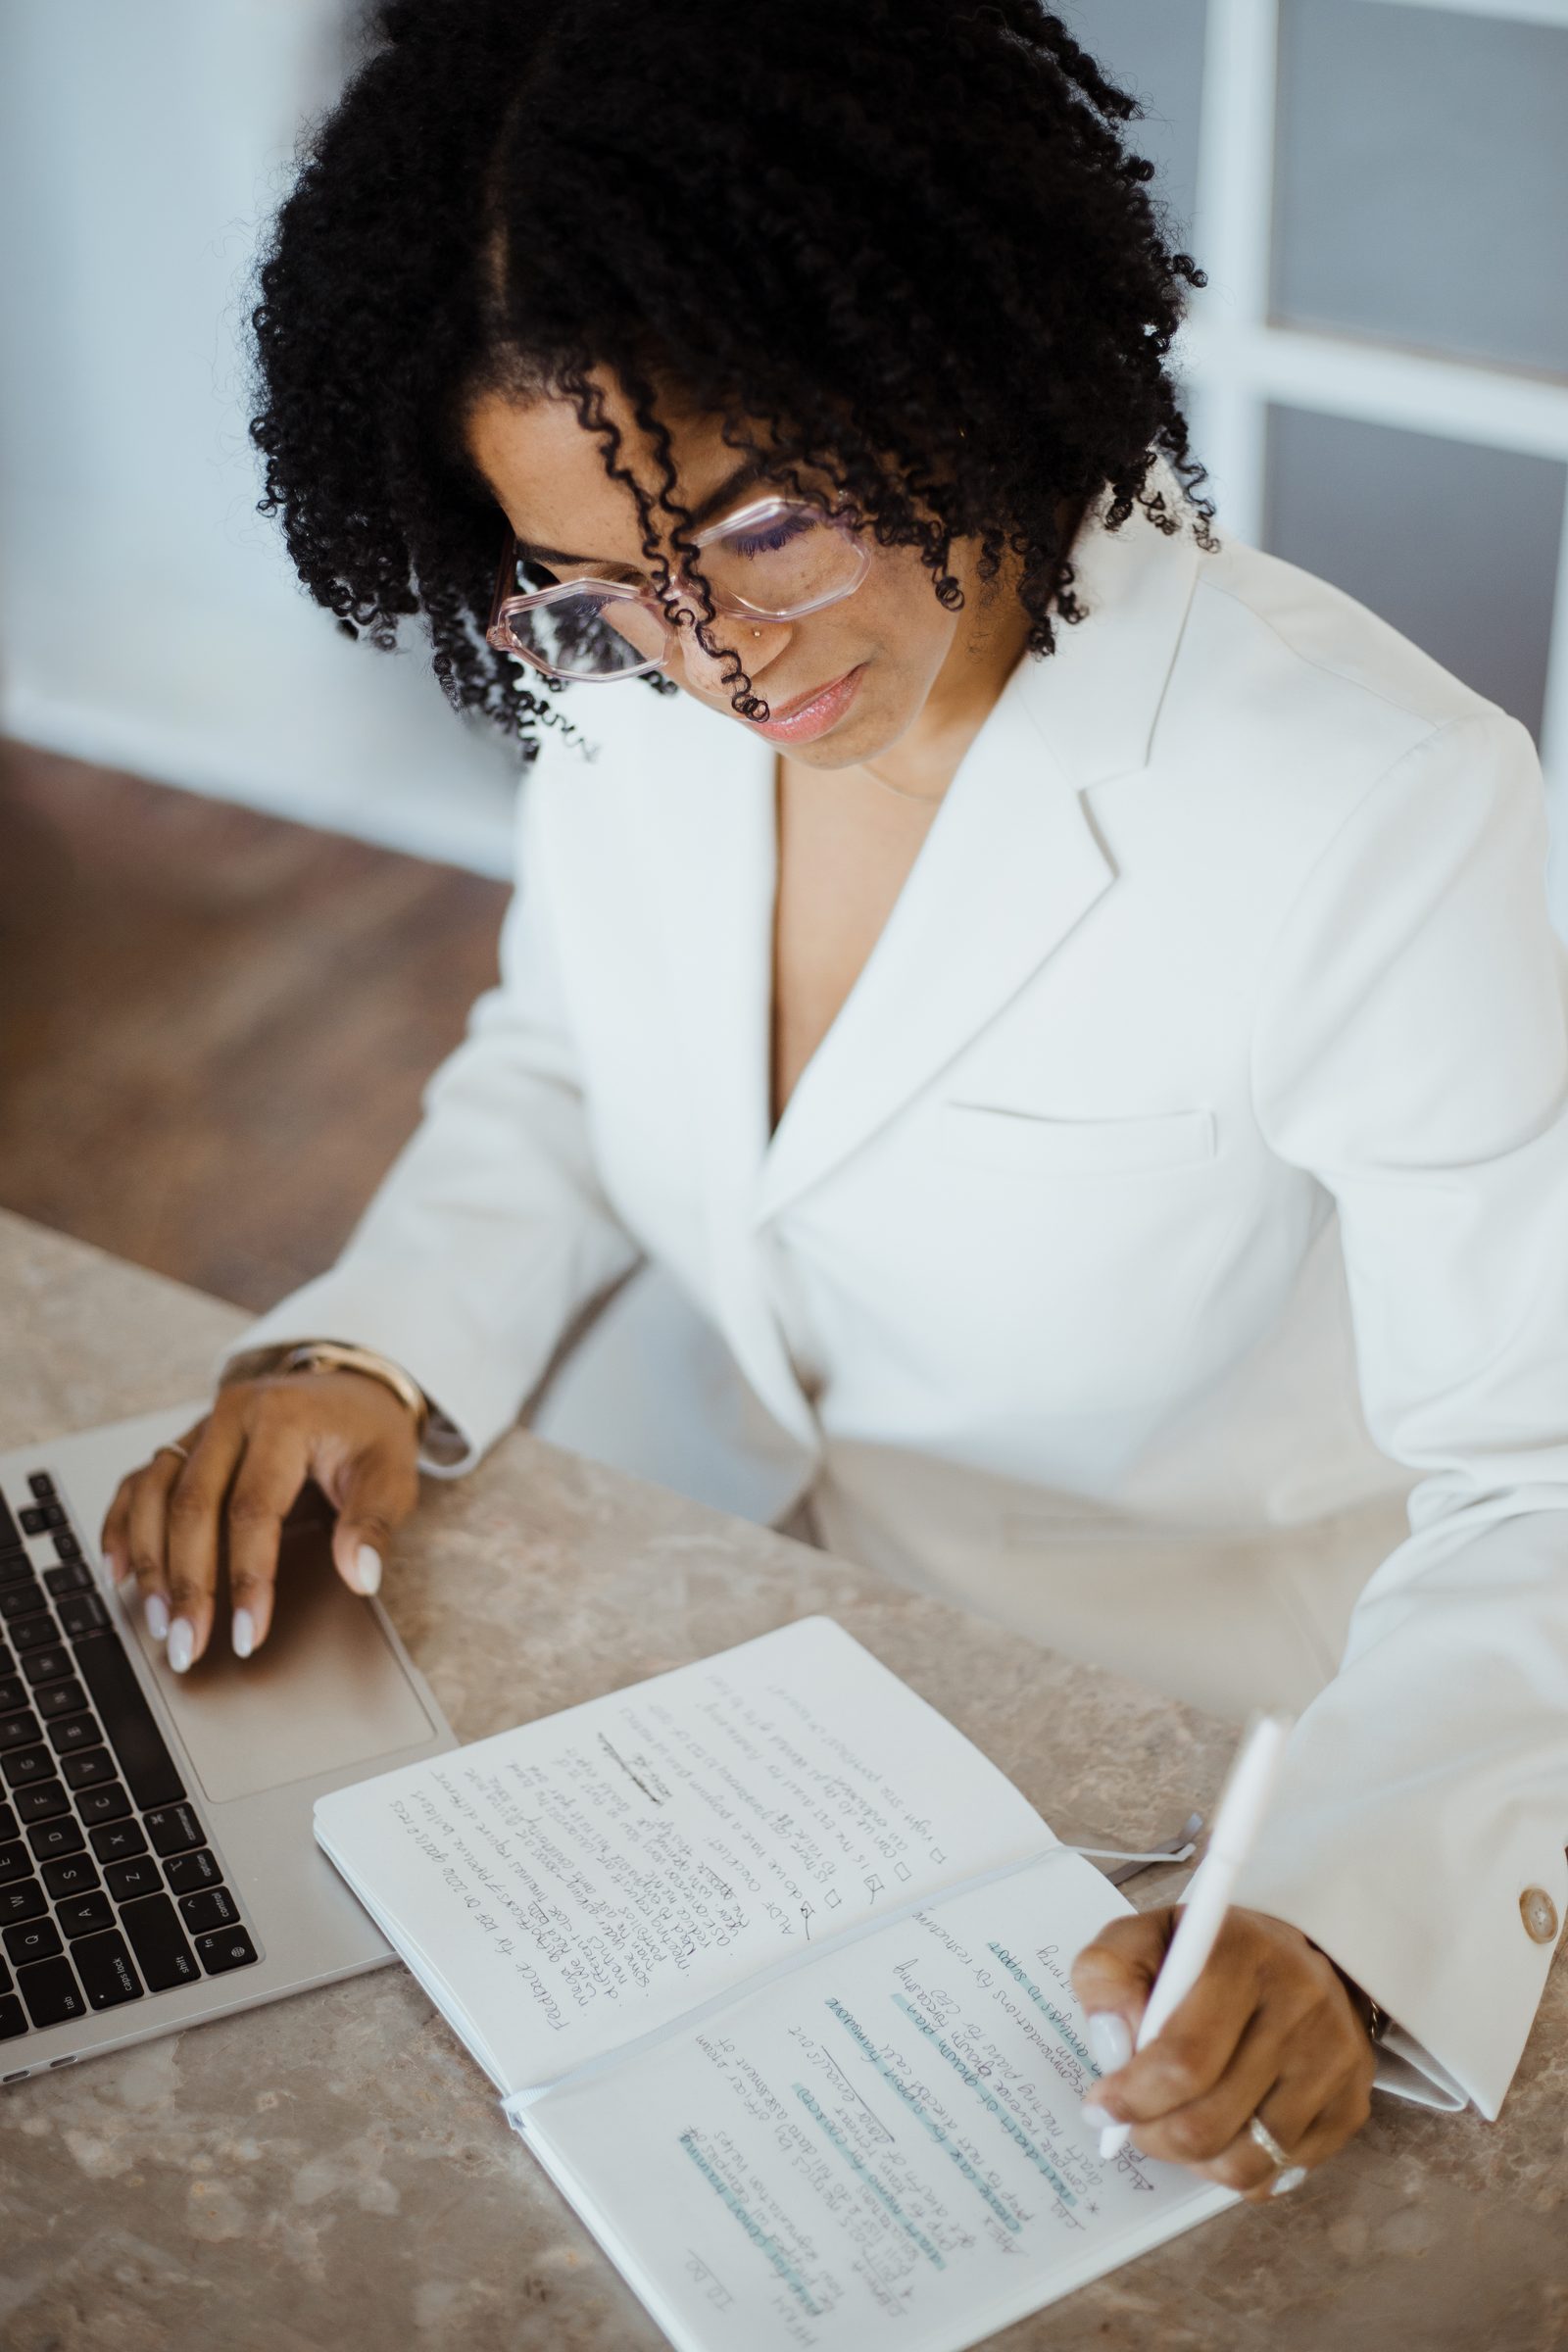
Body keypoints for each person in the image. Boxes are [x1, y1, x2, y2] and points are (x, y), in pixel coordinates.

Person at [102, 0, 1568, 2208]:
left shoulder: (1371, 809)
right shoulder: (651, 713)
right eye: (594, 591)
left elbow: (1538, 1473)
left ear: (946, 353)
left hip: (1195, 1757)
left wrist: (1353, 1901)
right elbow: (567, 1063)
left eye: (765, 524)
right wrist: (364, 1351)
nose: (718, 663)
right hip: (759, 1652)